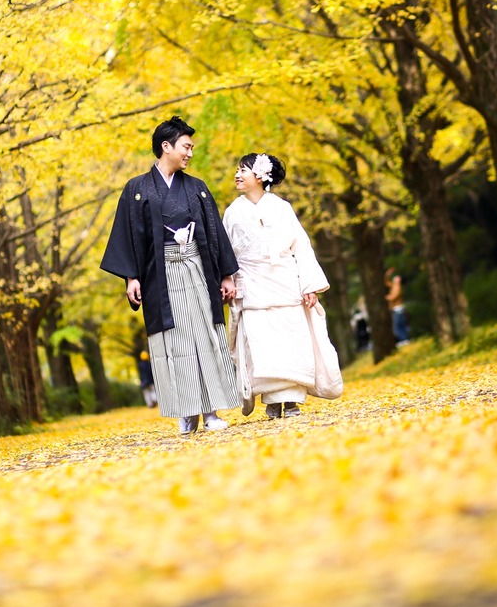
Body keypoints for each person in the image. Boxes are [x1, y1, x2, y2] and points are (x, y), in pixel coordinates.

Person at [100, 116, 241, 434]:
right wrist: (131, 277)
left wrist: (226, 275)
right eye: (186, 147)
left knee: (205, 334)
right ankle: (187, 412)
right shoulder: (137, 189)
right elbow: (128, 235)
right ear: (166, 146)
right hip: (160, 277)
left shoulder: (197, 188)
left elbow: (215, 232)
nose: (190, 153)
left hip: (196, 268)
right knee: (174, 341)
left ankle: (211, 412)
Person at [221, 152, 340, 419]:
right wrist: (227, 279)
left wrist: (308, 285)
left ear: (260, 176)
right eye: (237, 170)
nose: (237, 175)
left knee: (290, 340)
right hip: (252, 285)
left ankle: (292, 399)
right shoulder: (232, 212)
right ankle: (272, 399)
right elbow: (225, 252)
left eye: (243, 170)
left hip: (285, 283)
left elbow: (301, 246)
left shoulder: (282, 208)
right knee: (262, 344)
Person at [386, 267, 410, 346]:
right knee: (400, 325)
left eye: (397, 277)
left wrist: (387, 297)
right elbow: (386, 282)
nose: (395, 278)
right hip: (397, 309)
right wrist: (387, 274)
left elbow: (394, 296)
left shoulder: (397, 287)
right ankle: (404, 340)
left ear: (399, 280)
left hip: (398, 309)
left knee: (398, 326)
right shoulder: (394, 286)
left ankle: (404, 340)